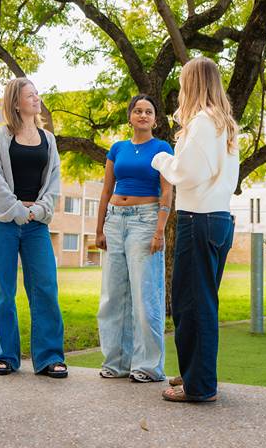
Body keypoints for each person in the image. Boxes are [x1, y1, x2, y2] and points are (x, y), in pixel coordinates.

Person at [151, 57, 239, 402]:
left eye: (184, 81)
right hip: (217, 219)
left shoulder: (203, 123)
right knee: (201, 302)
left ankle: (199, 385)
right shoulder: (226, 124)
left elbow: (187, 174)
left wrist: (160, 160)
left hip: (197, 220)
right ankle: (195, 372)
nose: (180, 90)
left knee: (192, 305)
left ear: (194, 84)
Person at [0, 78, 67, 378]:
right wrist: (18, 210)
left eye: (37, 94)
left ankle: (49, 357)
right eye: (29, 95)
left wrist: (40, 209)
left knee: (45, 288)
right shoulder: (0, 137)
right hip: (3, 223)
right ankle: (6, 356)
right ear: (16, 103)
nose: (36, 98)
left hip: (36, 226)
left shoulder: (48, 139)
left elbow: (54, 180)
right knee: (4, 291)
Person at [95, 94, 173, 382]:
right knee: (112, 296)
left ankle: (148, 366)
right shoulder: (117, 149)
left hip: (146, 220)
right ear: (130, 117)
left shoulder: (162, 148)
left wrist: (159, 230)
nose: (143, 115)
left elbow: (167, 191)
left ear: (155, 119)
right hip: (115, 220)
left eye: (148, 112)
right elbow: (105, 190)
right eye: (138, 111)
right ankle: (116, 363)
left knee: (145, 296)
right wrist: (99, 228)